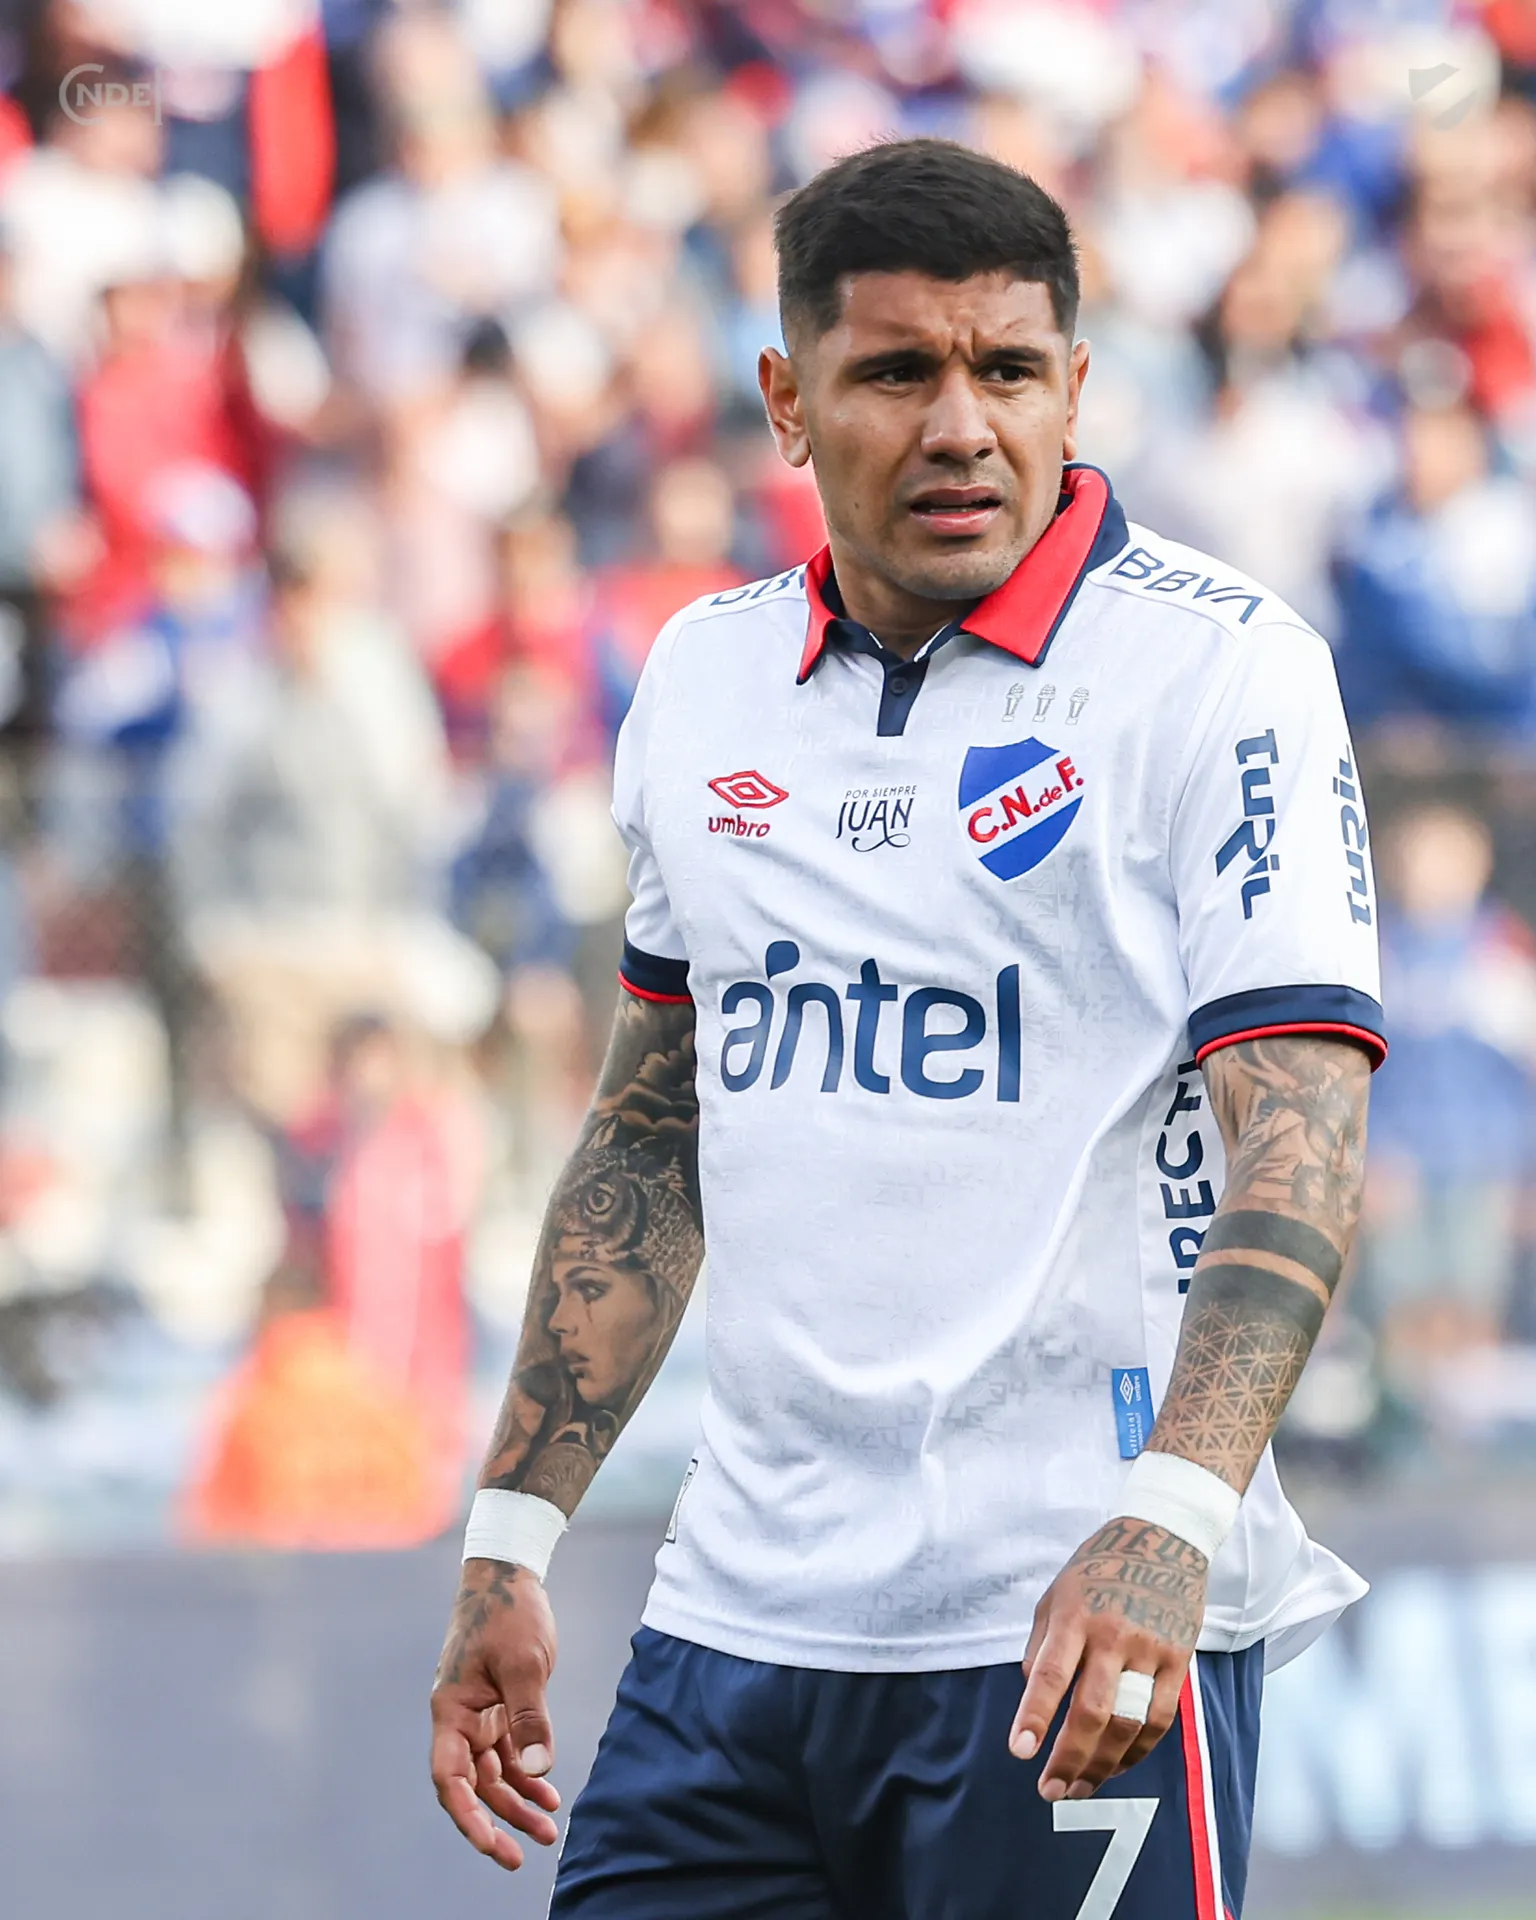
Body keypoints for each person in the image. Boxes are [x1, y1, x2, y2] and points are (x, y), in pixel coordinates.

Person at [429, 140, 1385, 1920]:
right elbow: (653, 1132)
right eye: (894, 373)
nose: (962, 427)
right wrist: (511, 1533)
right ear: (786, 400)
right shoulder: (701, 677)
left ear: (1075, 386)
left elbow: (1304, 1130)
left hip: (1070, 1624)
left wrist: (1173, 1518)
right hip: (734, 1631)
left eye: (1008, 371)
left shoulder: (1224, 670)